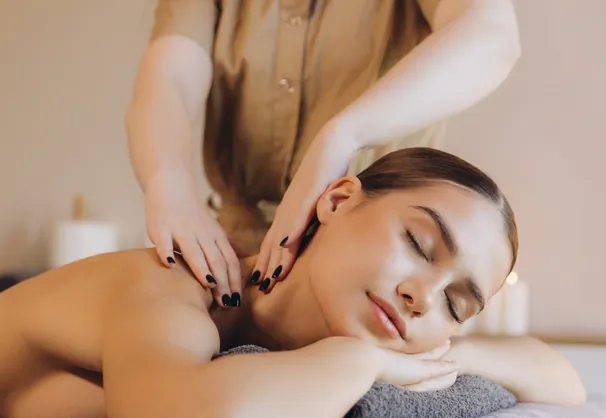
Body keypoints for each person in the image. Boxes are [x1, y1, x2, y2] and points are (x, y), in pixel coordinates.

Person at [0, 148, 584, 418]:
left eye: (457, 303)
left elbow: (560, 378)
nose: (422, 297)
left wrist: (449, 352)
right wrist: (364, 360)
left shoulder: (283, 348)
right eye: (419, 244)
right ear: (336, 202)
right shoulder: (176, 289)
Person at [125, 0, 521, 308]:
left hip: (373, 272)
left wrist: (340, 138)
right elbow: (168, 80)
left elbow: (492, 35)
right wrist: (169, 185)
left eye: (454, 306)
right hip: (233, 258)